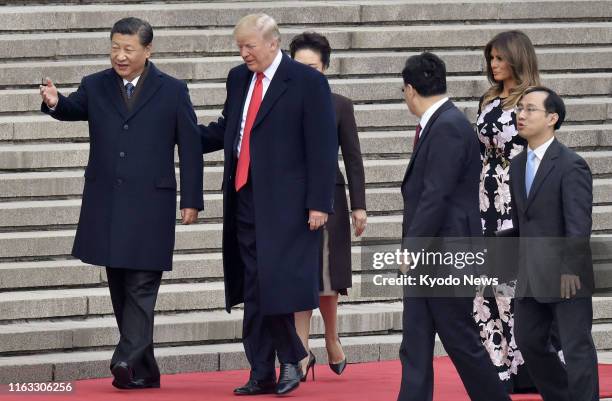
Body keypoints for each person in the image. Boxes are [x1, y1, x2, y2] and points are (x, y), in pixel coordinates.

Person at [39, 17, 203, 389]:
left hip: (151, 206)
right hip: (108, 204)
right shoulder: (95, 85)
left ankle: (125, 358)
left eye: (128, 49)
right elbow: (72, 108)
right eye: (115, 47)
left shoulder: (173, 90)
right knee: (119, 286)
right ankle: (144, 370)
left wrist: (192, 199)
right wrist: (54, 102)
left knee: (142, 286)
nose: (120, 55)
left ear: (148, 50)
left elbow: (191, 149)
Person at [199, 14, 337, 396]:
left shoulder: (307, 82)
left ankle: (291, 358)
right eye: (239, 47)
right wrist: (177, 132)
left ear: (273, 43)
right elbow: (230, 128)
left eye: (250, 46)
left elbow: (323, 147)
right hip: (244, 196)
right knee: (255, 285)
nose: (244, 54)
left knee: (271, 282)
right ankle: (262, 370)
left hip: (290, 205)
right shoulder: (238, 78)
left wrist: (318, 203)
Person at [397, 52, 510, 401]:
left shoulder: (447, 126)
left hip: (445, 253)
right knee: (415, 341)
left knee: (459, 339)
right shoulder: (443, 122)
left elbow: (437, 195)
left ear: (411, 89)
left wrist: (411, 249)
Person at [509, 86, 598, 401]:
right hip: (531, 273)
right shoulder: (517, 166)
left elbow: (578, 224)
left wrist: (570, 268)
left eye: (530, 109)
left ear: (552, 118)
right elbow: (524, 225)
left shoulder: (570, 165)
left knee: (576, 347)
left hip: (566, 275)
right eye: (520, 108)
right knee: (528, 340)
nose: (521, 114)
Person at [289, 31, 367, 380]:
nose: (307, 73)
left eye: (313, 67)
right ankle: (301, 350)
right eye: (299, 66)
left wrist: (359, 206)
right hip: (288, 199)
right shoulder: (280, 101)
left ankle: (331, 337)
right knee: (298, 275)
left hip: (329, 200)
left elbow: (353, 158)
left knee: (325, 276)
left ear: (325, 68)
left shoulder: (339, 104)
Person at [473, 30, 541, 392]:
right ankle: (499, 367)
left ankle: (527, 367)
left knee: (511, 287)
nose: (494, 64)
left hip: (515, 197)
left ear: (517, 58)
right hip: (484, 197)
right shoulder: (487, 99)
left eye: (500, 58)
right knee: (485, 289)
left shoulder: (532, 100)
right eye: (491, 58)